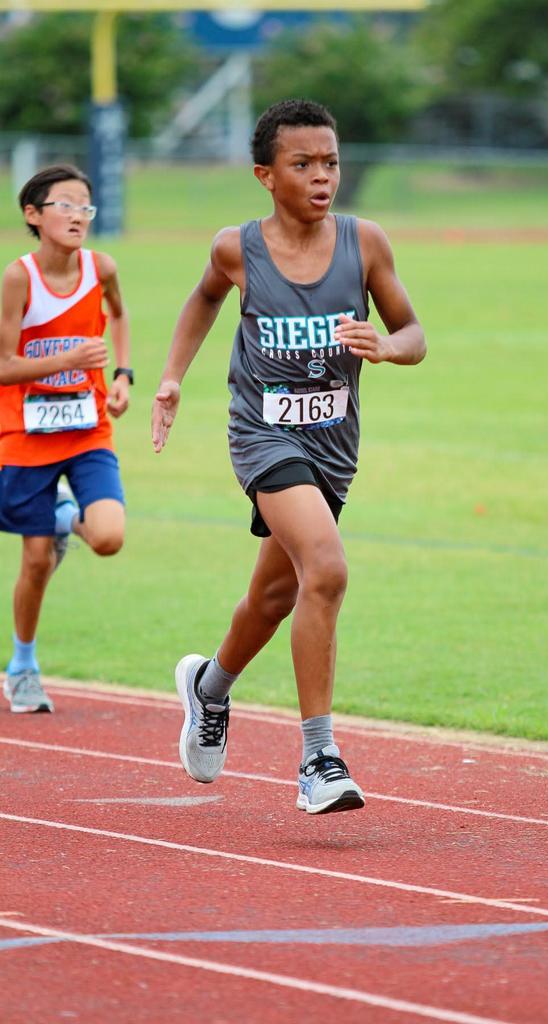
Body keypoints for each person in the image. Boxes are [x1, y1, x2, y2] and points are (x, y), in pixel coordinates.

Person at [152, 98, 426, 814]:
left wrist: (385, 346)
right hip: (263, 437)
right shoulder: (236, 248)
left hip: (333, 447)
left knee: (275, 597)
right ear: (265, 175)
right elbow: (203, 299)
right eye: (302, 164)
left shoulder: (364, 243)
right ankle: (318, 759)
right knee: (326, 569)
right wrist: (173, 377)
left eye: (330, 162)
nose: (321, 176)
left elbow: (414, 334)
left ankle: (209, 686)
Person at [0, 164, 132, 713]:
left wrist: (122, 375)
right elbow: (3, 366)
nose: (79, 215)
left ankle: (62, 517)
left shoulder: (101, 268)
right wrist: (67, 359)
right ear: (34, 214)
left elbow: (119, 316)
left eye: (86, 206)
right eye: (66, 205)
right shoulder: (18, 278)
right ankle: (22, 666)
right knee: (35, 562)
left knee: (109, 536)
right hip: (25, 433)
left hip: (87, 428)